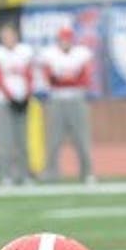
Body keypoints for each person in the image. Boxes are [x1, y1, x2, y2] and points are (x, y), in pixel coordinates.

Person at [38, 25, 95, 183]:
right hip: (57, 99)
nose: (65, 42)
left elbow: (84, 79)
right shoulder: (50, 55)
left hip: (76, 98)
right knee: (53, 139)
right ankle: (51, 173)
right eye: (63, 39)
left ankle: (87, 172)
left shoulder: (81, 54)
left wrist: (64, 78)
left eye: (68, 39)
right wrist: (69, 78)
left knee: (82, 138)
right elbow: (51, 80)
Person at [0, 23, 36, 185]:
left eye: (11, 35)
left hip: (22, 100)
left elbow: (28, 74)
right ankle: (5, 175)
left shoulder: (24, 52)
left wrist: (26, 95)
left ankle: (24, 174)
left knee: (22, 139)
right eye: (5, 36)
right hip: (3, 101)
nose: (8, 39)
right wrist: (10, 96)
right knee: (4, 140)